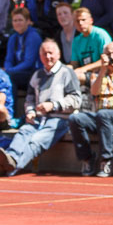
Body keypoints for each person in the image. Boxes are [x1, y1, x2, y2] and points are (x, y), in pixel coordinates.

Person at [0, 39, 81, 176]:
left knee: (36, 141)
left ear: (58, 54)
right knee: (24, 131)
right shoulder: (37, 75)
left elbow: (76, 99)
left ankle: (12, 166)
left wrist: (53, 105)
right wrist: (30, 111)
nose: (48, 57)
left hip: (60, 119)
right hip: (39, 118)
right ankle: (10, 158)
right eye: (44, 54)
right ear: (40, 56)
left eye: (50, 53)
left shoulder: (67, 73)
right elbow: (29, 99)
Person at [67, 41, 113, 177]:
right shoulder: (98, 72)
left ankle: (107, 159)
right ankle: (87, 158)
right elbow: (94, 92)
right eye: (108, 54)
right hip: (100, 118)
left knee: (103, 114)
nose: (111, 57)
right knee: (75, 119)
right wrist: (103, 70)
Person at [70, 7, 111, 88]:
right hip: (84, 73)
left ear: (91, 20)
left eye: (83, 20)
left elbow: (107, 59)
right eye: (77, 21)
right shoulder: (76, 40)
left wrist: (84, 69)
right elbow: (74, 63)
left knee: (77, 77)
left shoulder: (101, 35)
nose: (80, 23)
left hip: (102, 73)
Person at [4, 8, 43, 91]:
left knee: (9, 77)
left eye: (20, 20)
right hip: (18, 72)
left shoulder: (33, 36)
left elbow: (29, 62)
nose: (17, 23)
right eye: (15, 20)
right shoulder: (13, 37)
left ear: (28, 21)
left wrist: (9, 71)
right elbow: (8, 60)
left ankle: (11, 104)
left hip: (34, 73)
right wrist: (7, 70)